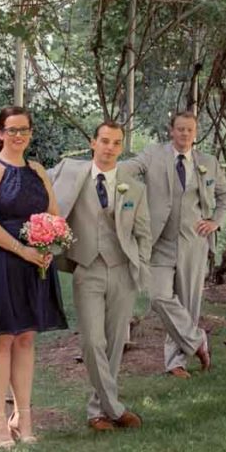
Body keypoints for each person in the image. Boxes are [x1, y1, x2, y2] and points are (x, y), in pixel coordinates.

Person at [0, 106, 68, 448]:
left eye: (24, 130)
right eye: (12, 130)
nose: (18, 135)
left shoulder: (38, 170)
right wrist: (22, 250)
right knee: (1, 338)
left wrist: (49, 242)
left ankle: (24, 417)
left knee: (26, 338)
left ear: (30, 133)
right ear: (1, 133)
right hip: (0, 260)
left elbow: (53, 213)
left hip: (34, 262)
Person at [50, 121, 152, 431]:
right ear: (93, 143)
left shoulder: (134, 187)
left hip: (122, 269)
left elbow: (144, 233)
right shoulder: (71, 172)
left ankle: (97, 411)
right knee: (92, 341)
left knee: (115, 342)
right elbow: (33, 176)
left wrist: (140, 265)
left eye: (116, 143)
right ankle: (115, 408)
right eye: (105, 141)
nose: (110, 147)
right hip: (87, 267)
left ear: (121, 147)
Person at [127, 111, 226, 378]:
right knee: (158, 296)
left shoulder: (207, 162)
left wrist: (215, 221)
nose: (185, 134)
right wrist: (104, 168)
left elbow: (225, 195)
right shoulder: (154, 154)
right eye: (180, 129)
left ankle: (176, 362)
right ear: (171, 131)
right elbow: (131, 167)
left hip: (193, 241)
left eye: (190, 130)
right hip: (159, 241)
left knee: (187, 304)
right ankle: (197, 340)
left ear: (195, 133)